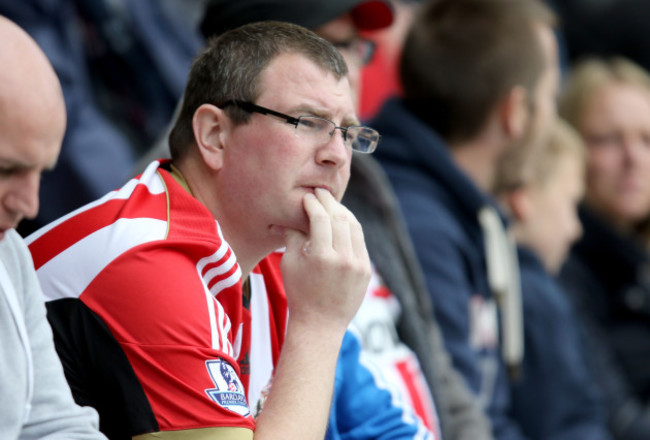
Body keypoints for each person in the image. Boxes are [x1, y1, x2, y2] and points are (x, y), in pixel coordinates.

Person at [140, 1, 493, 439]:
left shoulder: (353, 184)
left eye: (354, 47)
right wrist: (319, 324)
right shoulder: (159, 234)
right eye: (325, 44)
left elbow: (433, 379)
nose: (344, 68)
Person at [26, 21, 379, 440]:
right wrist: (319, 325)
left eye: (348, 133)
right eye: (307, 122)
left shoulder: (284, 264)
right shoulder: (147, 257)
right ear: (214, 135)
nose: (338, 155)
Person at [371, 0, 560, 439]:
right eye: (549, 97)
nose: (552, 117)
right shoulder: (423, 228)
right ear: (514, 113)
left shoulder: (451, 210)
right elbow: (451, 418)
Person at [0, 15, 106, 440]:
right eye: (6, 170)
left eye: (40, 173)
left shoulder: (10, 254)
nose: (29, 205)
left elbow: (52, 424)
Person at [493, 119, 611, 440]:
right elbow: (568, 424)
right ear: (523, 199)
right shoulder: (534, 296)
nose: (576, 229)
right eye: (571, 203)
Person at [559, 57, 650, 440]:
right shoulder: (561, 268)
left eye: (647, 139)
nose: (633, 158)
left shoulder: (636, 257)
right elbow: (620, 423)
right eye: (608, 139)